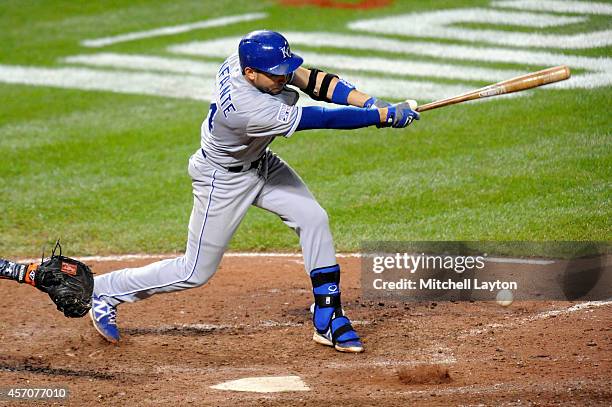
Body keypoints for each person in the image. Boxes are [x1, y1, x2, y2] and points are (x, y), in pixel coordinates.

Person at [90, 30, 419, 353]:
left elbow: (312, 81)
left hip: (259, 162)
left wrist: (371, 102)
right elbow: (319, 118)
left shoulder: (246, 61)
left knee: (313, 218)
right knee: (194, 271)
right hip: (223, 179)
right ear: (250, 74)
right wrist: (382, 117)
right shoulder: (248, 109)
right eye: (276, 75)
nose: (283, 78)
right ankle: (105, 291)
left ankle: (328, 316)